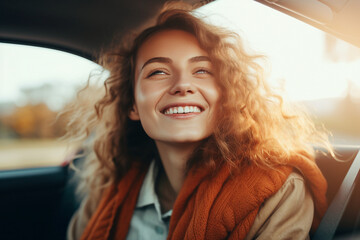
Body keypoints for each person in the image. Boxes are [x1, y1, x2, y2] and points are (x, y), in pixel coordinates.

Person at [66, 2, 333, 240]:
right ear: (133, 104)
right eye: (158, 71)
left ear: (226, 94)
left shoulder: (276, 190)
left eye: (202, 70)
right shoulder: (110, 192)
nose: (182, 85)